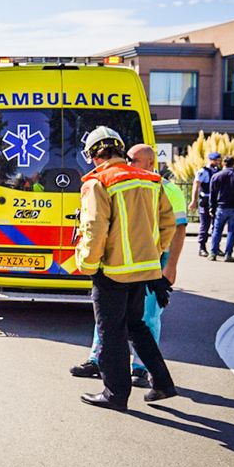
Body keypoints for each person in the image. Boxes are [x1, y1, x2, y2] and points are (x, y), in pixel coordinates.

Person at [75, 126, 178, 411]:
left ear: (95, 155)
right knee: (136, 326)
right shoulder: (151, 180)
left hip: (112, 272)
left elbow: (95, 228)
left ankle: (115, 394)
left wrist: (88, 264)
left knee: (111, 332)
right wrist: (153, 254)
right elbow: (168, 224)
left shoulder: (98, 183)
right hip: (145, 270)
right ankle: (163, 382)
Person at [209, 155, 234, 262]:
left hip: (221, 207)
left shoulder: (216, 176)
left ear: (223, 163)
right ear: (233, 164)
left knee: (217, 230)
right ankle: (228, 254)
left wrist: (212, 207)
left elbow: (212, 194)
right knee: (232, 231)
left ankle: (213, 253)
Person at [188, 151, 222, 257]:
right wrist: (194, 200)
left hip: (216, 201)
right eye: (215, 160)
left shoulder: (219, 171)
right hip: (205, 201)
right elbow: (196, 185)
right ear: (210, 160)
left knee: (216, 226)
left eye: (218, 160)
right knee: (205, 225)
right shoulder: (203, 171)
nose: (217, 162)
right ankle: (202, 248)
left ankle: (216, 247)